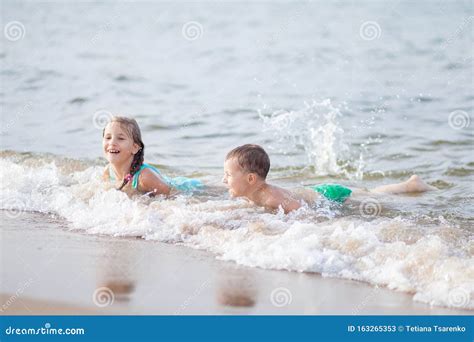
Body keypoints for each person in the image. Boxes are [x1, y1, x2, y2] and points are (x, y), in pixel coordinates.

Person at [222, 144, 436, 213]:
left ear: (251, 179)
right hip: (317, 190)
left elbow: (303, 213)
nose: (224, 180)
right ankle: (410, 184)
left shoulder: (271, 197)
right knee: (367, 193)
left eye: (228, 175)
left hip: (329, 194)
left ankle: (410, 185)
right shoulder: (251, 194)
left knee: (370, 196)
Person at [102, 116, 202, 195]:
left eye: (120, 138)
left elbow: (172, 196)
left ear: (135, 148)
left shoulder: (144, 177)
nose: (112, 142)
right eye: (108, 137)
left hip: (191, 188)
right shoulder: (108, 172)